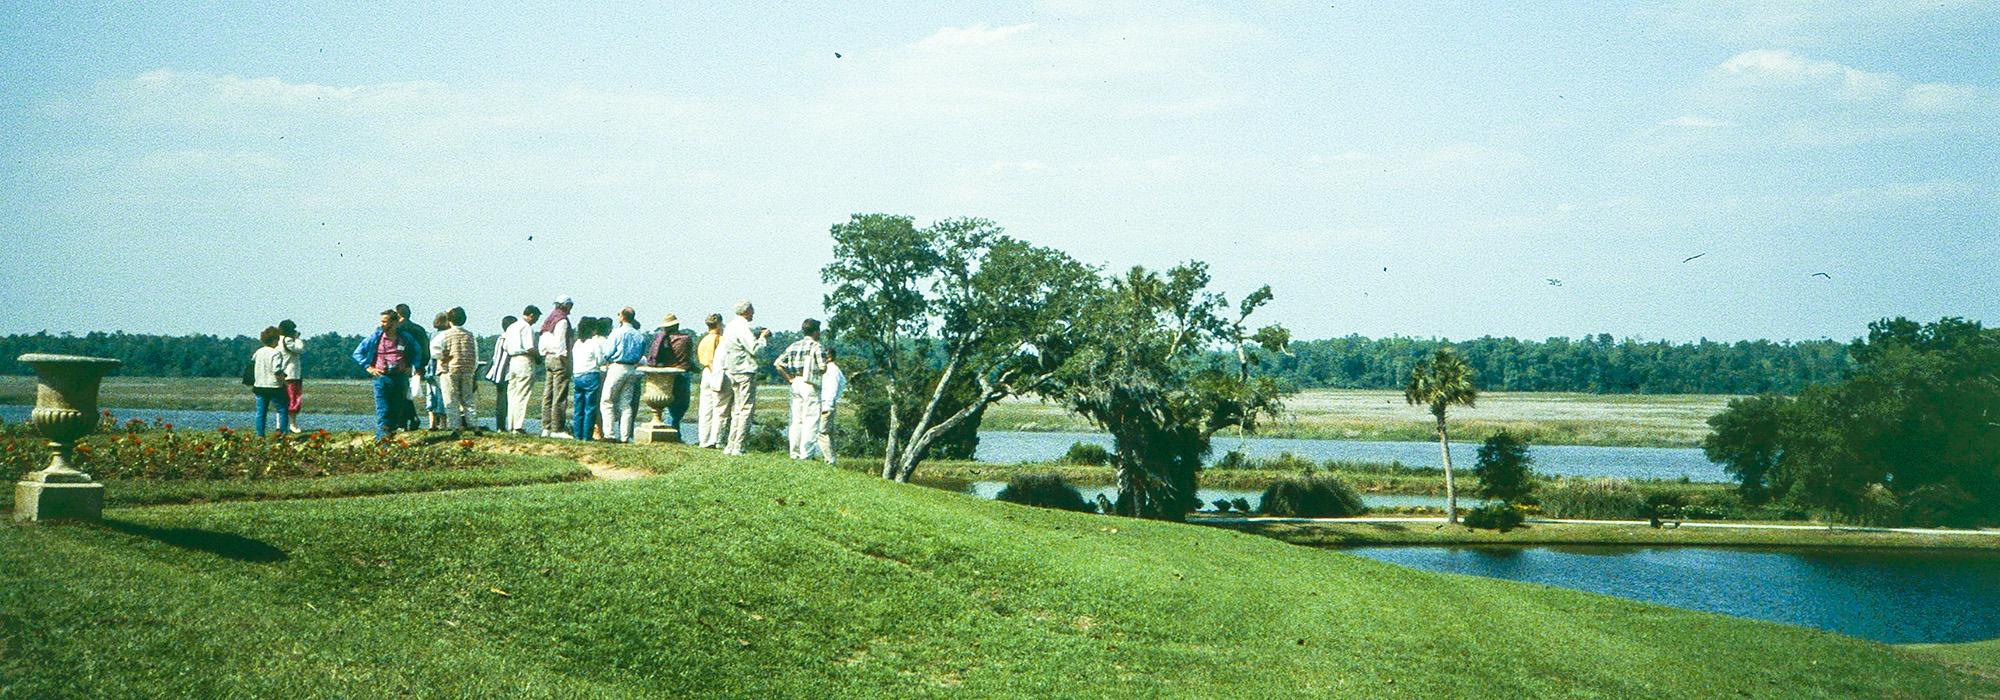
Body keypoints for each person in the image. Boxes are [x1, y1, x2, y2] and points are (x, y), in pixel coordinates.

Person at [352, 310, 422, 440]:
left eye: (385, 321)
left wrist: (412, 367)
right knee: (383, 411)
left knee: (397, 411)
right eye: (381, 321)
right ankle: (382, 441)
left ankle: (391, 438)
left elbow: (418, 351)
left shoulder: (405, 337)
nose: (382, 324)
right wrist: (368, 367)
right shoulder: (376, 337)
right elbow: (358, 353)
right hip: (382, 378)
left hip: (400, 378)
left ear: (395, 323)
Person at [717, 300, 771, 455]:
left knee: (736, 409)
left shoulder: (730, 326)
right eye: (752, 310)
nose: (753, 313)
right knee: (746, 409)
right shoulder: (743, 327)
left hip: (732, 369)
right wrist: (763, 337)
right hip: (744, 370)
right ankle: (739, 446)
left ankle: (730, 444)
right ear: (747, 311)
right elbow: (755, 349)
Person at [773, 318, 828, 460]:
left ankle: (794, 452)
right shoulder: (816, 346)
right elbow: (822, 367)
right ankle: (806, 454)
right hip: (810, 382)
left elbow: (778, 363)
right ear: (816, 332)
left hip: (796, 382)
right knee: (811, 419)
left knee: (796, 420)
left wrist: (789, 378)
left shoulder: (793, 346)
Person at [600, 307, 648, 442]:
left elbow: (608, 352)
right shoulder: (639, 335)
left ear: (622, 317)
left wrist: (604, 360)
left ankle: (609, 434)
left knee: (607, 401)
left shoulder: (617, 333)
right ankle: (625, 436)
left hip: (618, 367)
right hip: (632, 368)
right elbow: (641, 353)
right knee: (626, 404)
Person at [644, 313, 694, 434]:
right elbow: (688, 359)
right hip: (681, 373)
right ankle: (674, 430)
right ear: (677, 325)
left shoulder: (660, 339)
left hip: (664, 375)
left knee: (667, 405)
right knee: (680, 405)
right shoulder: (685, 339)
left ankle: (669, 428)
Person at [434, 307, 480, 431]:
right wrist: (473, 369)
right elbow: (475, 354)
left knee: (451, 399)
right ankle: (473, 425)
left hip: (449, 369)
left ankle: (455, 426)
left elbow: (434, 350)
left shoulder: (444, 335)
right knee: (468, 399)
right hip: (467, 369)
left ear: (449, 320)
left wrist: (442, 357)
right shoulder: (470, 335)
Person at [539, 295, 576, 439]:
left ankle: (546, 427)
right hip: (559, 358)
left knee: (548, 394)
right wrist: (565, 360)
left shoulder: (549, 319)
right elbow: (561, 342)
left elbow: (543, 340)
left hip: (548, 357)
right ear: (566, 305)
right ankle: (557, 428)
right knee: (559, 395)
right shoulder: (562, 321)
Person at [393, 304, 432, 431]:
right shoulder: (419, 329)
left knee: (400, 394)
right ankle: (411, 419)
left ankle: (404, 422)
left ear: (398, 314)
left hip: (401, 365)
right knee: (407, 394)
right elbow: (426, 349)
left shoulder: (397, 329)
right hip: (417, 365)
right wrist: (421, 365)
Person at [504, 306, 542, 434]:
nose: (536, 320)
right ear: (531, 315)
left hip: (513, 361)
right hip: (525, 360)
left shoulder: (511, 327)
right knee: (522, 394)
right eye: (536, 317)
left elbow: (506, 347)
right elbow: (530, 347)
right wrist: (539, 357)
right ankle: (518, 426)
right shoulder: (526, 327)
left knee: (512, 395)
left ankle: (510, 424)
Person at [569, 318, 608, 441]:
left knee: (578, 407)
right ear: (592, 329)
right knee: (590, 407)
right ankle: (587, 435)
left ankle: (577, 435)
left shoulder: (577, 343)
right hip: (591, 375)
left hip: (577, 375)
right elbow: (600, 360)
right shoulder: (594, 343)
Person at [250, 326, 292, 437]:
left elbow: (252, 363)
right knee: (282, 410)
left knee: (261, 413)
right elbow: (276, 370)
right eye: (277, 339)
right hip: (274, 387)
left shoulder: (258, 352)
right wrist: (285, 382)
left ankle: (260, 435)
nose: (278, 341)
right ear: (274, 340)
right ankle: (281, 434)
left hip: (259, 385)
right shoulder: (276, 353)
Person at [695, 313, 727, 449]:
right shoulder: (720, 339)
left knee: (705, 408)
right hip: (715, 371)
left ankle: (704, 439)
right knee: (719, 407)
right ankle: (716, 439)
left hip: (706, 373)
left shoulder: (703, 340)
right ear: (719, 323)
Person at [486, 314, 517, 432]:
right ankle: (504, 426)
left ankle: (500, 426)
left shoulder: (500, 338)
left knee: (500, 400)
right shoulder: (510, 338)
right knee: (505, 401)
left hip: (496, 372)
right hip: (505, 373)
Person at [817, 346, 847, 464]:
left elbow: (833, 389)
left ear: (829, 356)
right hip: (827, 404)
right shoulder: (832, 370)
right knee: (828, 433)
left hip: (826, 405)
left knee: (822, 432)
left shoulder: (832, 370)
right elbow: (843, 383)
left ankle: (829, 460)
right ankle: (831, 458)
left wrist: (829, 403)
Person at [277, 319, 306, 433]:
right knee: (293, 400)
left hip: (282, 375)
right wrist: (298, 339)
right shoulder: (288, 340)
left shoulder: (277, 341)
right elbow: (300, 349)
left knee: (282, 401)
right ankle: (293, 425)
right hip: (291, 375)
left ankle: (280, 425)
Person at [425, 312, 451, 429]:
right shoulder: (448, 335)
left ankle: (432, 423)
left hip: (430, 368)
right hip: (442, 368)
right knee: (443, 395)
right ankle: (444, 424)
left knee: (431, 395)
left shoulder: (431, 335)